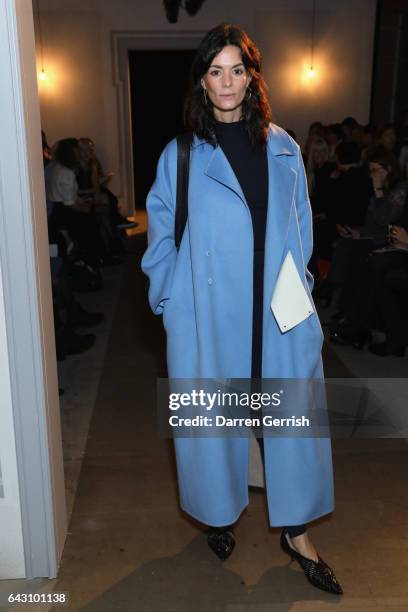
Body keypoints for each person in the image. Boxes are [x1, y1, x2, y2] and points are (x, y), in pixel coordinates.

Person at [141, 23, 343, 596]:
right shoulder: (180, 156)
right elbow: (160, 242)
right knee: (216, 425)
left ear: (252, 78)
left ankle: (298, 532)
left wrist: (301, 298)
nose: (226, 82)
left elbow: (301, 237)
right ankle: (221, 514)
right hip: (211, 316)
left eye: (237, 70)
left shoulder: (283, 148)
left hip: (276, 318)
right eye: (215, 71)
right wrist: (172, 304)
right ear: (201, 82)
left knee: (290, 426)